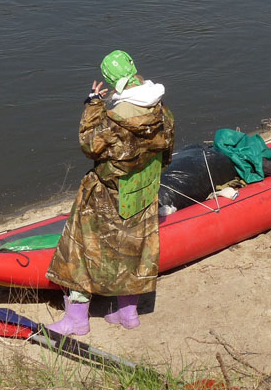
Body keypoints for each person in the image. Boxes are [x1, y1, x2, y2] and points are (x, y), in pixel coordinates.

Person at [45, 50, 175, 335]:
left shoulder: (114, 120)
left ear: (111, 80)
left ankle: (77, 320)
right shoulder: (162, 111)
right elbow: (166, 155)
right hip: (142, 193)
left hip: (107, 194)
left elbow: (89, 145)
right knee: (134, 249)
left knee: (78, 250)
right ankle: (127, 314)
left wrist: (93, 105)